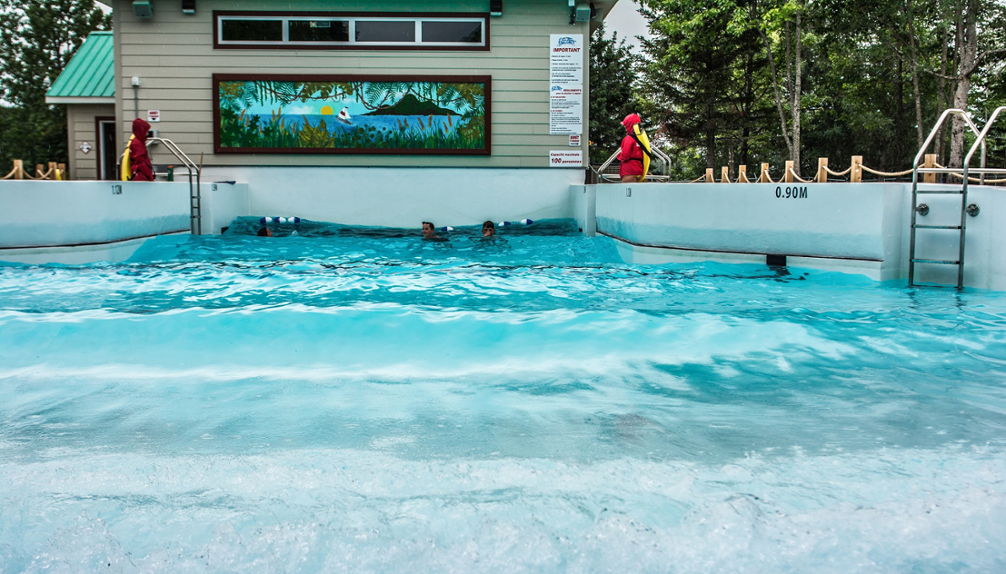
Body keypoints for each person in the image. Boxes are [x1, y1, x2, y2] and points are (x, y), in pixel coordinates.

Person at [617, 113, 646, 183]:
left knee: (629, 193)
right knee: (639, 193)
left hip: (629, 170)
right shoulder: (641, 138)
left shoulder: (628, 138)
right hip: (640, 169)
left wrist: (619, 156)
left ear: (629, 125)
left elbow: (625, 155)